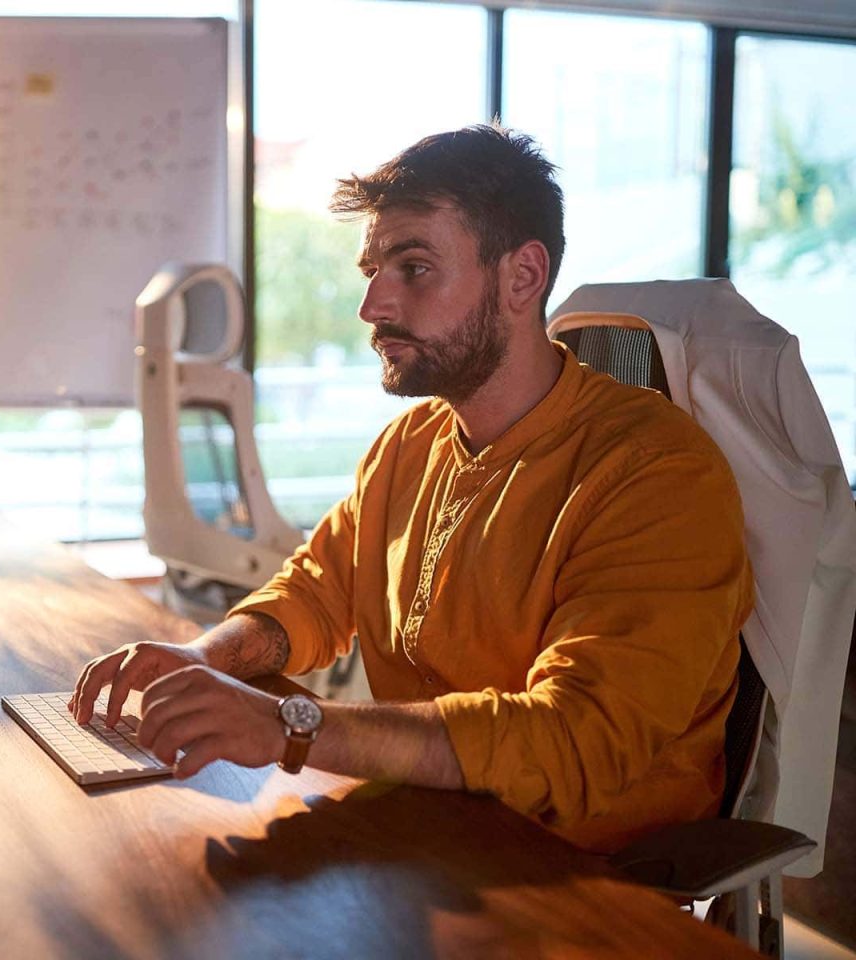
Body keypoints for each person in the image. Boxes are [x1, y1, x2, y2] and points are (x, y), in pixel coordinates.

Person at [69, 124, 753, 854]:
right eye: (373, 270)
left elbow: (573, 737)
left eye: (415, 268)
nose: (373, 305)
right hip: (425, 832)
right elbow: (318, 592)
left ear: (522, 277)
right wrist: (208, 657)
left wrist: (288, 727)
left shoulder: (657, 473)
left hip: (579, 879)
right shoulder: (411, 444)